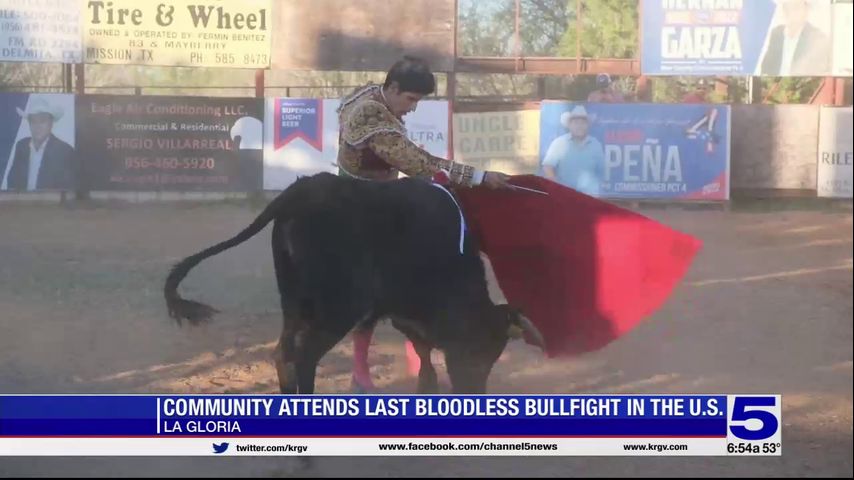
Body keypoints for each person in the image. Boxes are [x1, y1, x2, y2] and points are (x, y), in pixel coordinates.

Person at [336, 56, 512, 392]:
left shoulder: (371, 96)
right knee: (370, 289)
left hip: (375, 195)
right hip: (363, 204)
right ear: (394, 88)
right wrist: (479, 176)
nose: (413, 108)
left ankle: (414, 356)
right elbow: (417, 163)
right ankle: (360, 371)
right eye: (411, 100)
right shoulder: (370, 113)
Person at [2, 97, 76, 191]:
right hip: (22, 203)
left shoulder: (64, 150)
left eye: (42, 121)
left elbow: (67, 186)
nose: (37, 126)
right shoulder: (21, 146)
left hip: (51, 204)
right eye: (33, 121)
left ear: (51, 123)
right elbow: (12, 180)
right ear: (29, 124)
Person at [541, 106, 604, 196]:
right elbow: (548, 166)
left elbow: (601, 170)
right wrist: (555, 187)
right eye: (576, 122)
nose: (579, 126)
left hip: (590, 197)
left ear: (587, 125)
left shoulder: (596, 144)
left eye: (583, 122)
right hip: (565, 196)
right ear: (569, 125)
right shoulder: (559, 143)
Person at [757, 0, 831, 76]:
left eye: (795, 7)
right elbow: (766, 68)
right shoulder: (776, 34)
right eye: (786, 7)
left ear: (806, 10)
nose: (790, 12)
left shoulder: (817, 38)